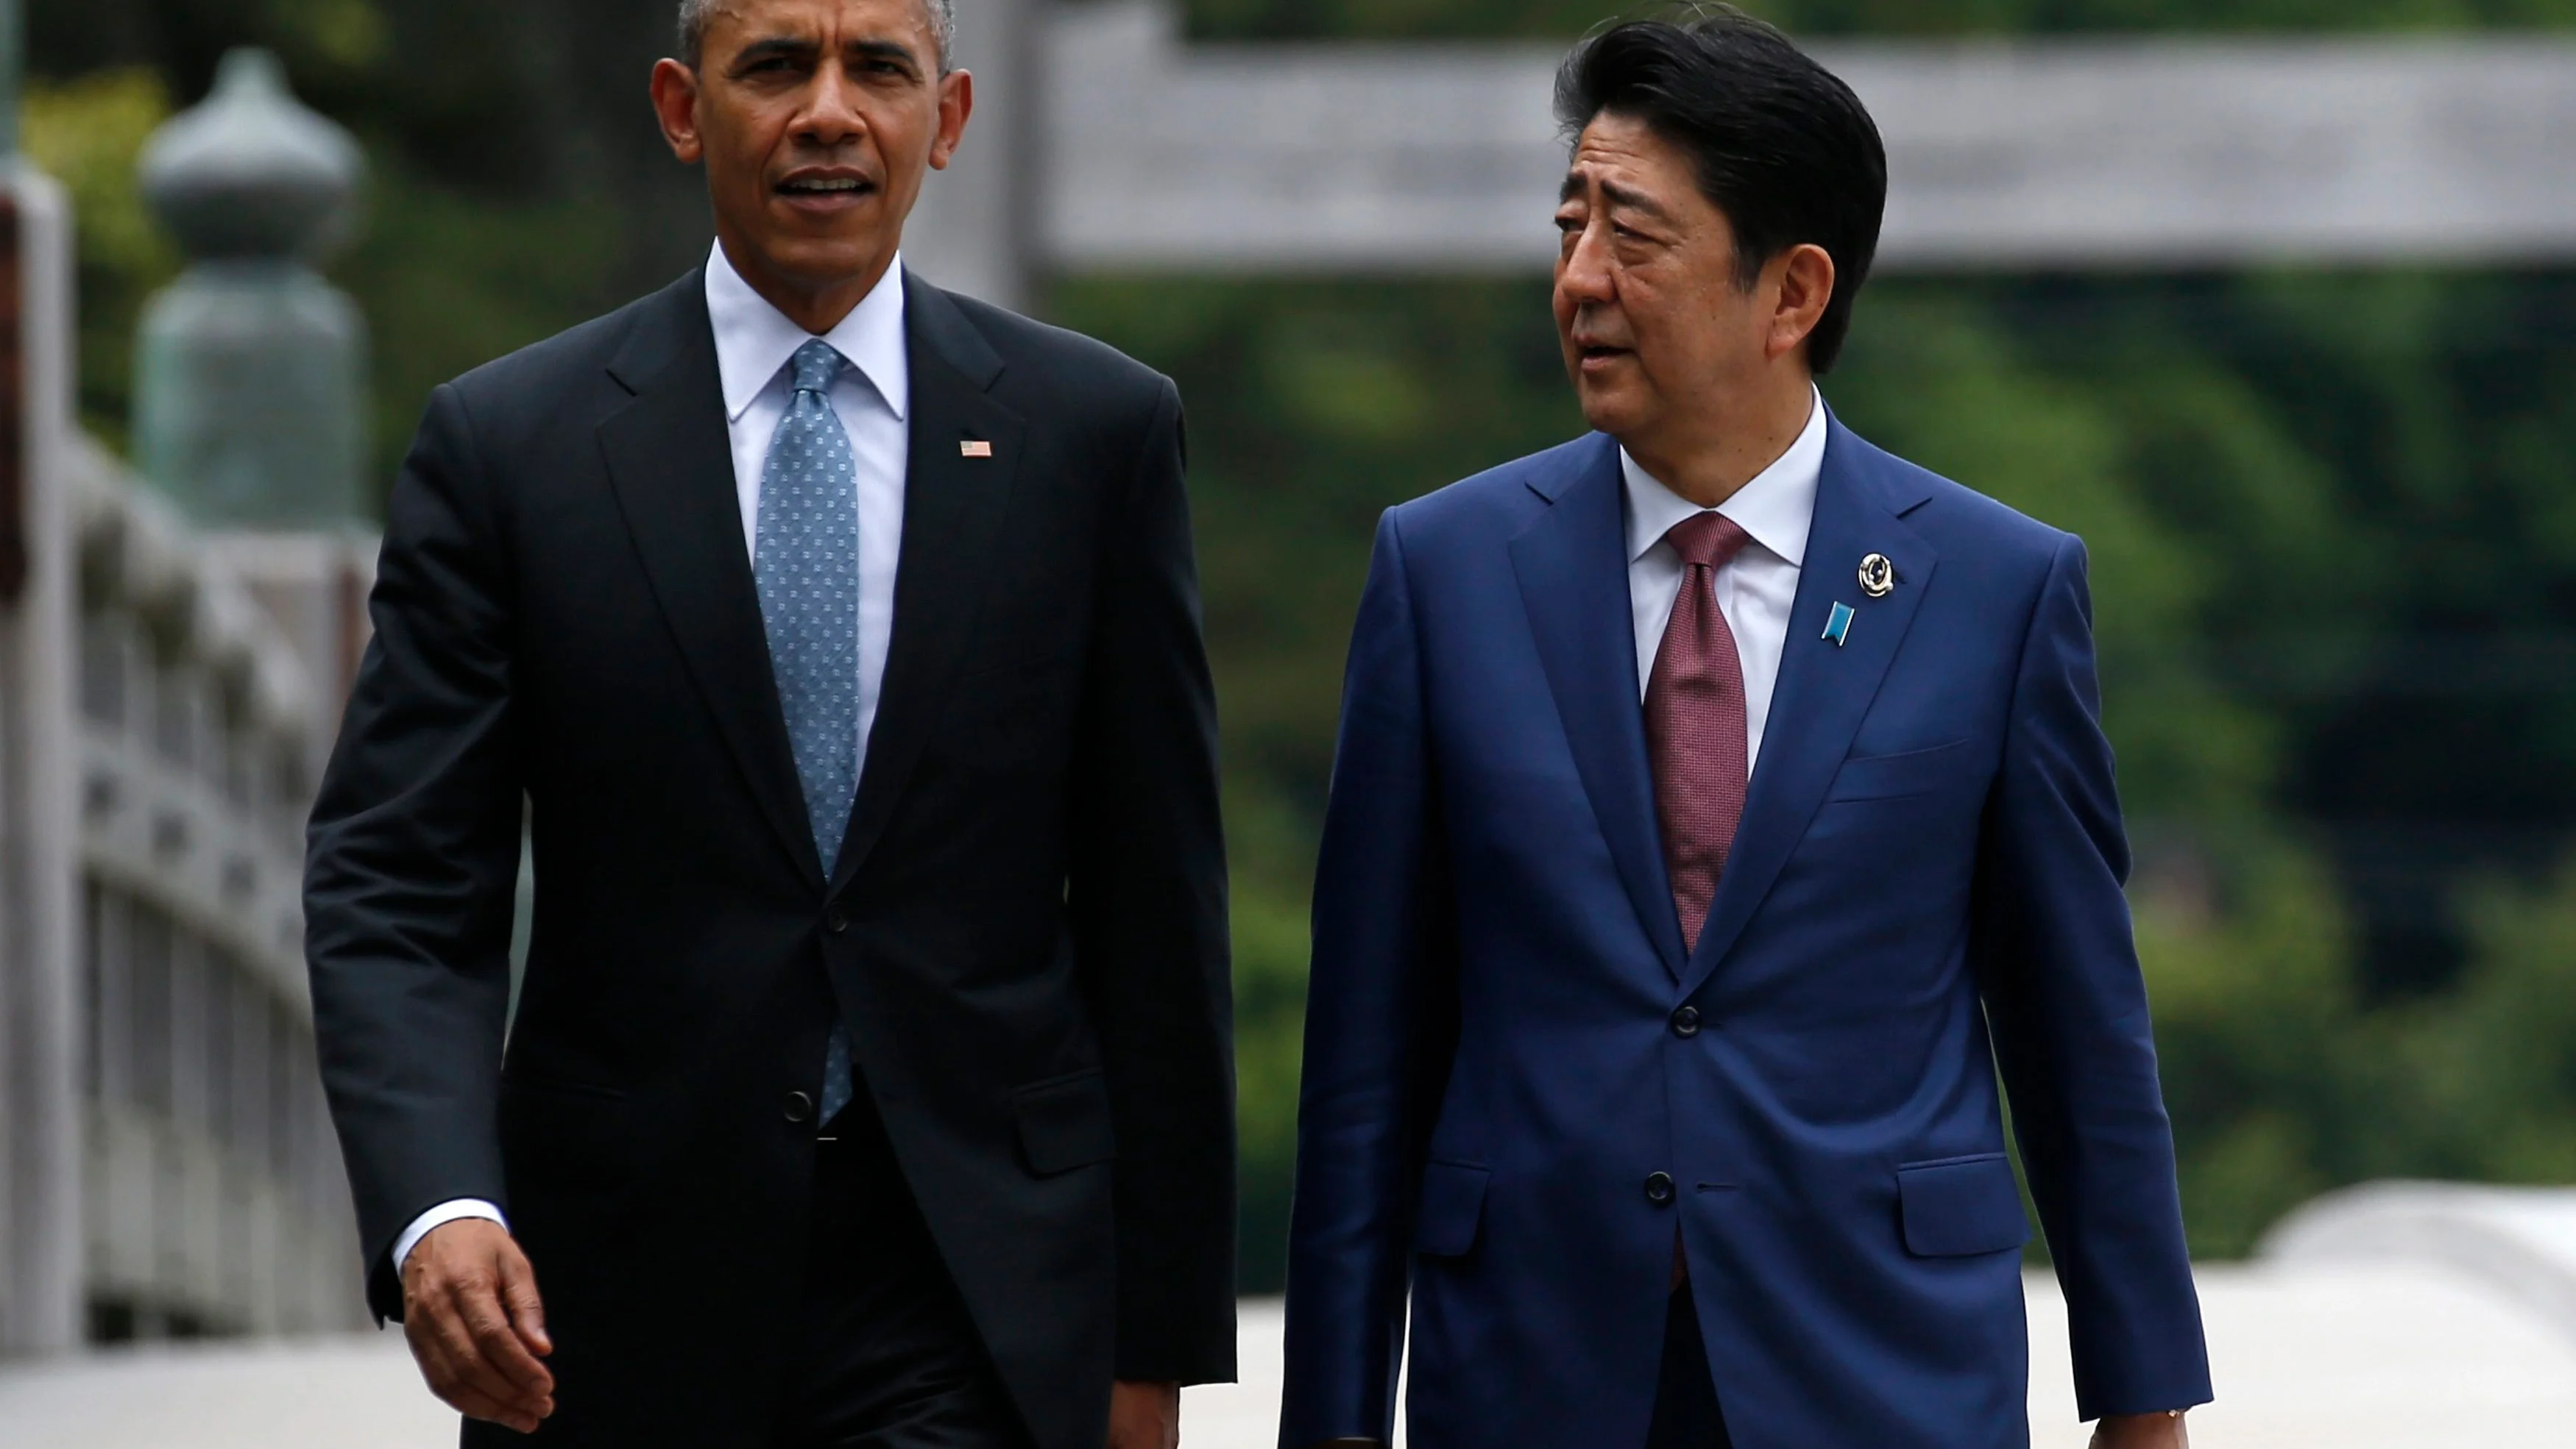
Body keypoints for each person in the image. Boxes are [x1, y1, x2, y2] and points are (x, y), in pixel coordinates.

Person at [304, 1, 1236, 1445]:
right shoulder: (513, 448)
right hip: (608, 1290)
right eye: (773, 68)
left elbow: (1153, 910)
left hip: (975, 1276)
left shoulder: (1088, 435)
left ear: (950, 116)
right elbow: (400, 876)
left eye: (878, 69)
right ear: (682, 110)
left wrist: (1154, 1345)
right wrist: (440, 1204)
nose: (826, 112)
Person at [1277, 13, 2211, 1449]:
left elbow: (2080, 1038)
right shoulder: (1444, 569)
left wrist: (2142, 1402)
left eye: (1633, 238)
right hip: (1530, 1370)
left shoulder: (1994, 589)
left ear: (1790, 293)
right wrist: (1331, 1415)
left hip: (1881, 1368)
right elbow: (1366, 1051)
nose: (1578, 279)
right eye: (1569, 225)